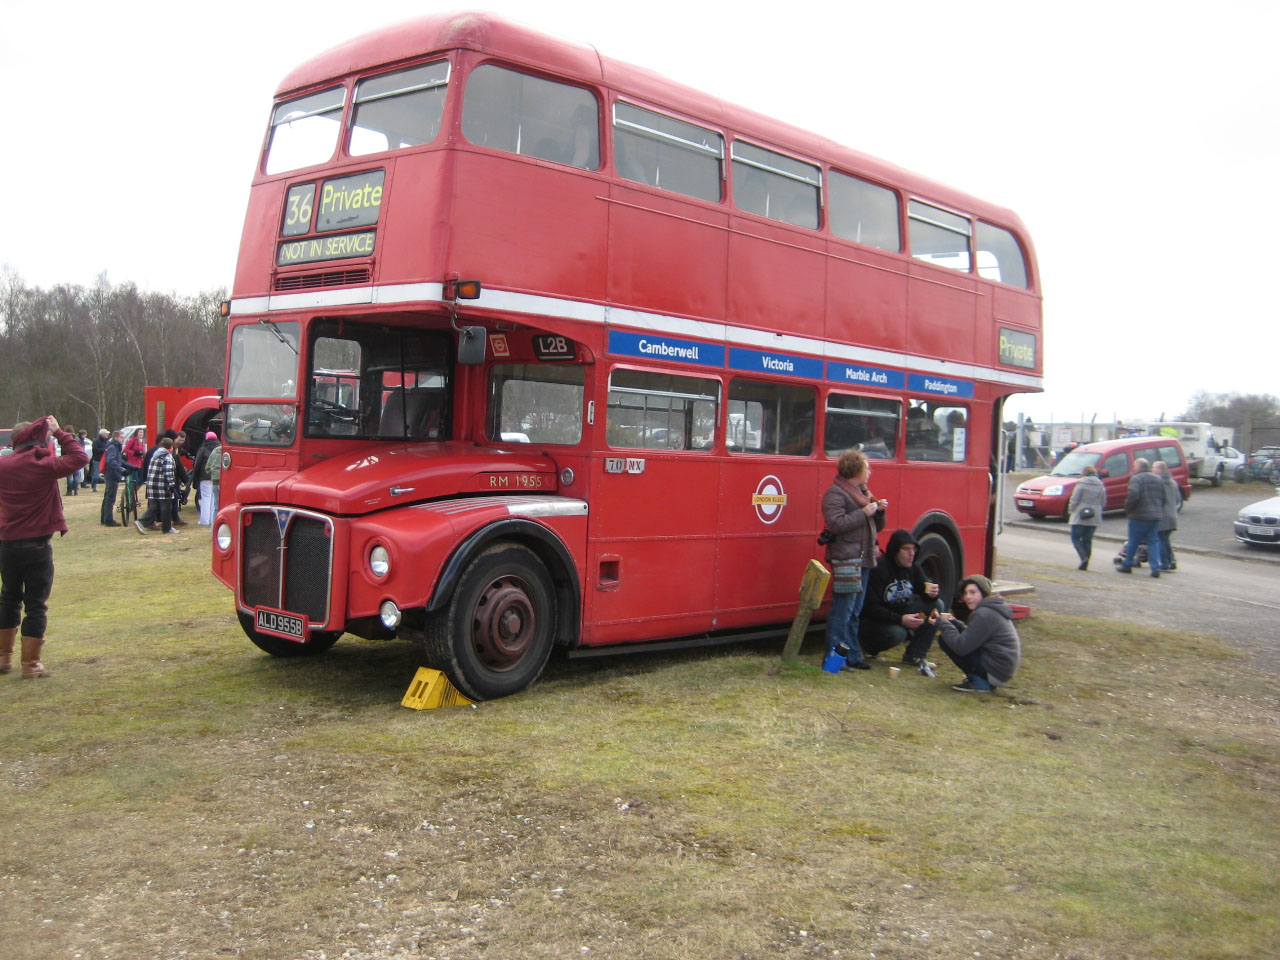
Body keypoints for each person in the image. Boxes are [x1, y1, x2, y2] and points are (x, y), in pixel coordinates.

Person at [0, 416, 89, 678]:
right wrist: (60, 432)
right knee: (36, 604)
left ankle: (4, 658)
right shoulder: (42, 465)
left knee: (8, 598)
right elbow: (80, 458)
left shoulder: (3, 465)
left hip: (8, 543)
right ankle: (30, 665)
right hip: (37, 544)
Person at [820, 449, 887, 672]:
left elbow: (878, 527)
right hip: (848, 559)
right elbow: (836, 524)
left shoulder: (862, 493)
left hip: (864, 558)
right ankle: (834, 660)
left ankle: (852, 656)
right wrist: (865, 512)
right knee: (842, 612)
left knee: (855, 612)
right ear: (856, 470)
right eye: (867, 468)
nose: (870, 472)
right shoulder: (835, 494)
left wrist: (879, 512)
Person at [860, 528, 945, 669]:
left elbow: (925, 591)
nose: (912, 554)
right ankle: (868, 647)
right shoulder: (879, 568)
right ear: (895, 550)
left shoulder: (913, 567)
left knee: (937, 605)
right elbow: (870, 607)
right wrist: (900, 620)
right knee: (898, 633)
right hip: (876, 620)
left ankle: (915, 655)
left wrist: (933, 593)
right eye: (906, 549)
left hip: (902, 612)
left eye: (914, 549)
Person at [934, 574, 1021, 693]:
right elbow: (975, 635)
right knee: (952, 631)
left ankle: (980, 682)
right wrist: (955, 623)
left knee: (944, 639)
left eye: (973, 592)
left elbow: (961, 647)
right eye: (965, 593)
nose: (968, 597)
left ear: (984, 593)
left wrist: (942, 624)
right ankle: (982, 679)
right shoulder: (991, 609)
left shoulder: (984, 614)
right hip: (1002, 669)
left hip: (996, 671)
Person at [1116, 457, 1165, 578]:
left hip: (1139, 515)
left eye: (1134, 466)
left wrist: (1128, 509)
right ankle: (1155, 567)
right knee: (1153, 541)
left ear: (1138, 467)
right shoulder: (1158, 479)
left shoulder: (1136, 478)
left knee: (1133, 541)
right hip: (1155, 515)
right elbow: (1163, 497)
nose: (1133, 469)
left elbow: (1133, 495)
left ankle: (1127, 564)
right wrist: (1159, 509)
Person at [1066, 464, 1106, 570]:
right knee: (1087, 540)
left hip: (1080, 514)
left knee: (1075, 538)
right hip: (1094, 515)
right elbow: (1103, 501)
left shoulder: (1081, 483)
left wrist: (1071, 510)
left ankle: (1083, 557)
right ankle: (1086, 562)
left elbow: (1075, 499)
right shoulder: (1100, 485)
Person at [138, 437, 178, 535]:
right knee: (166, 507)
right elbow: (168, 472)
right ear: (171, 447)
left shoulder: (155, 455)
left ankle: (141, 522)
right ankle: (167, 528)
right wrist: (172, 485)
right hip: (162, 486)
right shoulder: (167, 457)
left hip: (152, 485)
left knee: (154, 506)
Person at [1152, 460, 1182, 572]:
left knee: (1160, 539)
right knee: (1165, 539)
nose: (1152, 470)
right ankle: (1172, 560)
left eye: (1154, 468)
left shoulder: (1158, 482)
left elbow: (1156, 499)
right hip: (1172, 515)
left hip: (1162, 515)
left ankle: (1164, 563)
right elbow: (1178, 499)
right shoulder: (1173, 482)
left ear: (1160, 470)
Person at [193, 430, 221, 525]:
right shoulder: (220, 448)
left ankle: (205, 520)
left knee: (205, 498)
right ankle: (213, 519)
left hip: (205, 476)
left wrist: (195, 478)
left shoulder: (203, 449)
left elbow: (197, 464)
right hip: (217, 477)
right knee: (214, 498)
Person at [100, 430, 124, 527]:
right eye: (122, 437)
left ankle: (104, 518)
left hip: (112, 473)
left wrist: (130, 466)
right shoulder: (112, 447)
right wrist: (121, 469)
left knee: (108, 496)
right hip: (111, 474)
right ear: (116, 438)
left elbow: (119, 461)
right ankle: (108, 519)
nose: (123, 439)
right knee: (110, 497)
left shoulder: (115, 447)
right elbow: (111, 461)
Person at [91, 428, 109, 492]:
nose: (107, 435)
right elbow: (95, 450)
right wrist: (104, 450)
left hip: (105, 459)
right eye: (106, 433)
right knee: (96, 474)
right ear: (103, 434)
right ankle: (93, 487)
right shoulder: (96, 441)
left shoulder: (107, 441)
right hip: (97, 459)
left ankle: (108, 486)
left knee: (107, 473)